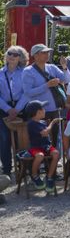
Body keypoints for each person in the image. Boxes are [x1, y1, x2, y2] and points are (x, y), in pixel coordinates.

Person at [23, 44, 70, 120]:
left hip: (55, 109)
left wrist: (64, 66)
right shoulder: (28, 71)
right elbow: (28, 92)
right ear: (36, 55)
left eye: (48, 52)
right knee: (41, 132)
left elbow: (67, 80)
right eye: (44, 53)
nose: (47, 54)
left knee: (56, 131)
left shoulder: (52, 67)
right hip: (38, 112)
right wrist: (47, 85)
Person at [1, 45, 29, 176]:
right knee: (4, 139)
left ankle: (22, 167)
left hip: (21, 108)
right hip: (3, 109)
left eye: (15, 54)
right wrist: (8, 109)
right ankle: (6, 169)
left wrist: (17, 109)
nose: (12, 56)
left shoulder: (25, 73)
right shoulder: (0, 73)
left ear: (21, 58)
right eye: (9, 53)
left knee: (21, 139)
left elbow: (27, 93)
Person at [25, 101, 60, 194]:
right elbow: (45, 133)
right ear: (38, 112)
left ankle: (49, 176)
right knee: (40, 156)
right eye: (43, 109)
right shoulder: (31, 123)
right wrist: (52, 123)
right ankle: (34, 175)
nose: (45, 110)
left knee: (56, 154)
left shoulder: (43, 122)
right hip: (36, 147)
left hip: (46, 146)